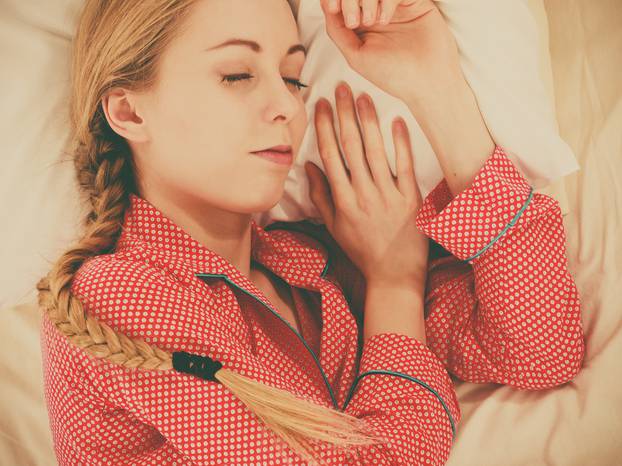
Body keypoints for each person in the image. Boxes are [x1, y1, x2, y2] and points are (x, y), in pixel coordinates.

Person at [37, 0, 585, 464]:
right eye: (237, 74)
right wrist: (395, 284)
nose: (287, 107)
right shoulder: (115, 295)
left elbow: (538, 352)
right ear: (130, 111)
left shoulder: (316, 267)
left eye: (294, 77)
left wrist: (437, 90)